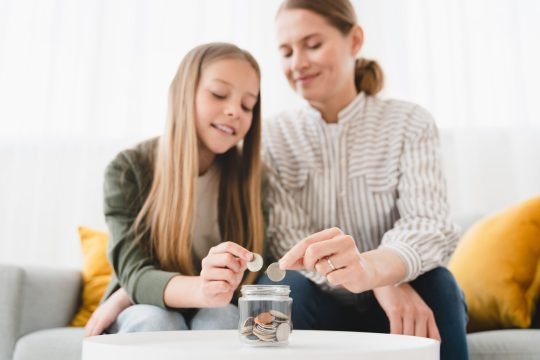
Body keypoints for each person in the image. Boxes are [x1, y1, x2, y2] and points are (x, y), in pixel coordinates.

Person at [259, 1, 468, 359]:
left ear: (354, 40)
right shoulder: (273, 137)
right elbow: (288, 242)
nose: (297, 63)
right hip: (319, 306)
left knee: (440, 283)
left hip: (399, 310)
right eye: (286, 51)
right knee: (281, 287)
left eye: (312, 44)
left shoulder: (409, 122)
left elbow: (428, 224)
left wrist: (378, 272)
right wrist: (371, 281)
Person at [84, 42, 265, 336]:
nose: (234, 111)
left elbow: (258, 268)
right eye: (219, 94)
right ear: (184, 92)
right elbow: (135, 271)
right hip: (148, 307)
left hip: (217, 306)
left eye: (247, 105)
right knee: (156, 322)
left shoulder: (254, 178)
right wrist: (131, 292)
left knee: (222, 319)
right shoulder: (127, 170)